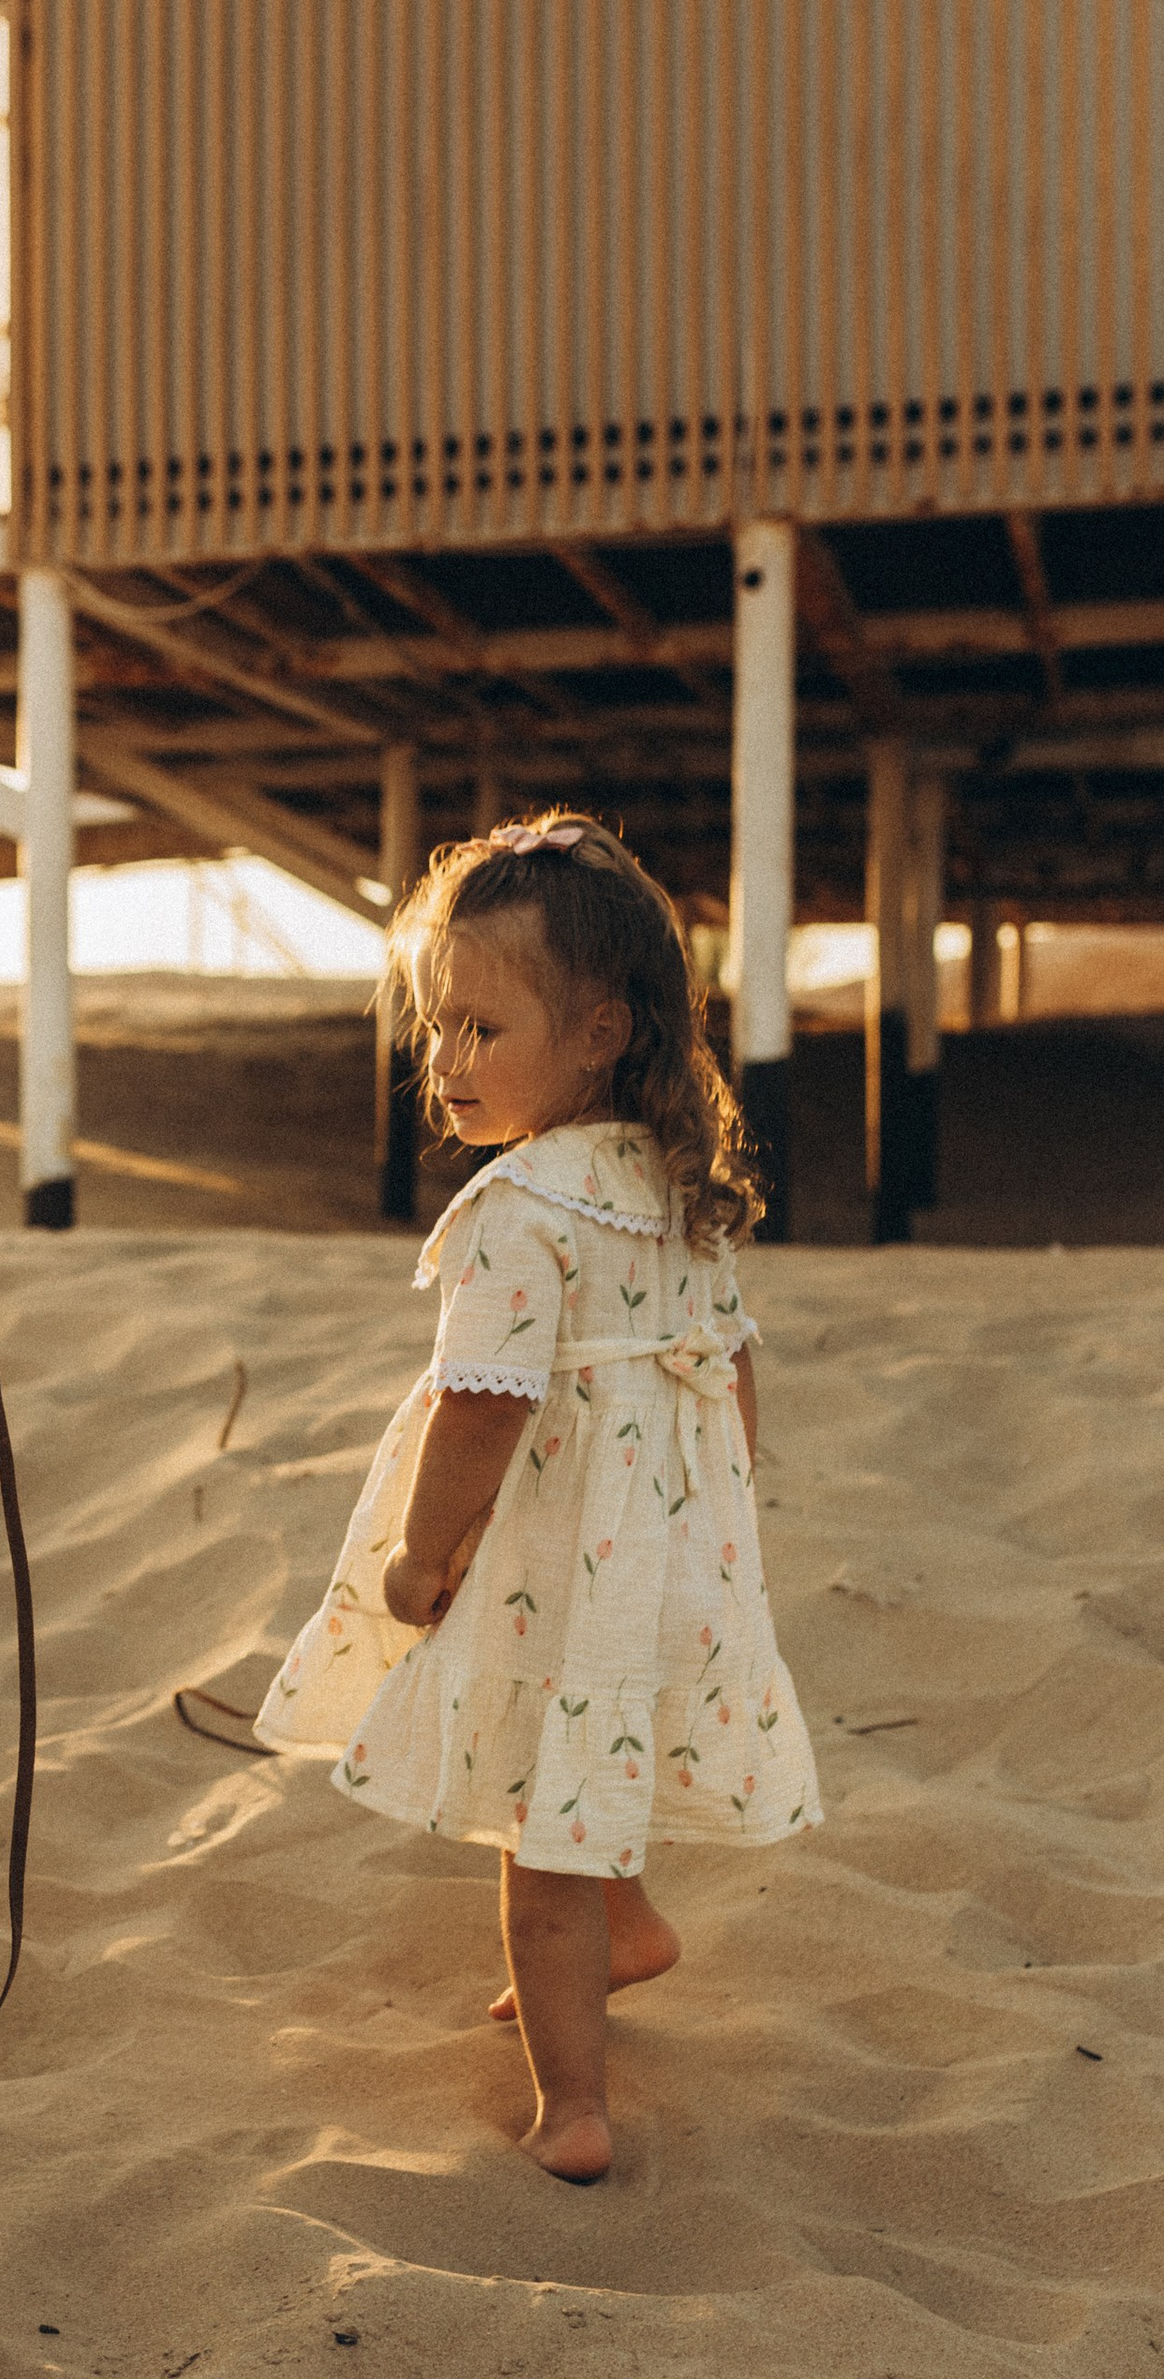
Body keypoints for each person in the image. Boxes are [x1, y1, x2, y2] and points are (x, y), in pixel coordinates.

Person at [257, 812, 819, 2180]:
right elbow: (733, 1370)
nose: (445, 1060)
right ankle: (630, 1927)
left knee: (538, 1839)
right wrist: (726, 1527)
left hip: (559, 1562)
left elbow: (483, 1407)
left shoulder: (518, 1211)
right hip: (673, 1550)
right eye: (437, 1027)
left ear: (600, 1034)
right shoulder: (674, 1187)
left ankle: (573, 2101)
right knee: (598, 1744)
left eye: (482, 1031)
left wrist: (418, 1556)